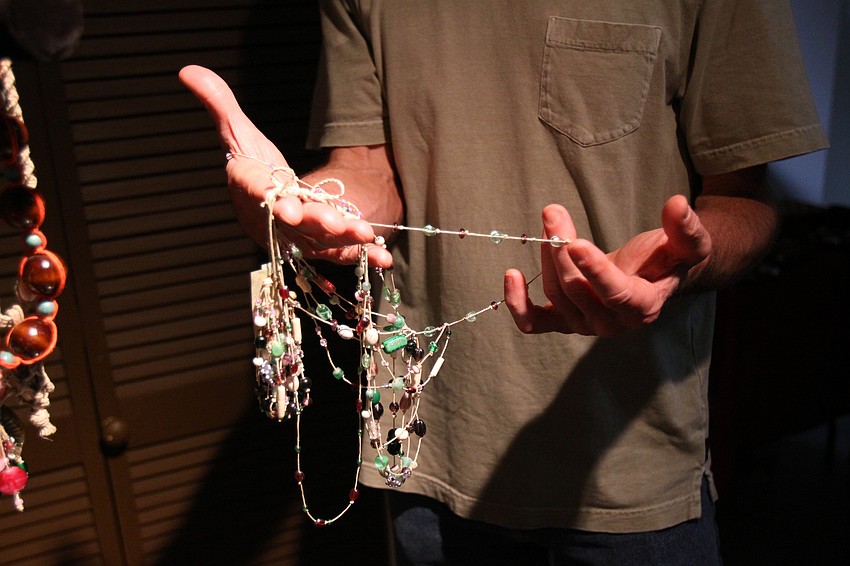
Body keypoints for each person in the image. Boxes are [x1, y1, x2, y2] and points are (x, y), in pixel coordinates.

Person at [180, 1, 828, 563]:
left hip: (628, 468)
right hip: (428, 457)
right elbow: (366, 169)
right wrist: (306, 202)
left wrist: (686, 259)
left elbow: (747, 200)